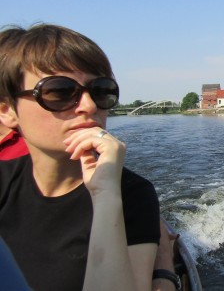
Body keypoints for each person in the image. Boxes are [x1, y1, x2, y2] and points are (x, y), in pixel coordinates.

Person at [0, 24, 162, 291]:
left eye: (101, 91)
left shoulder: (132, 194)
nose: (88, 106)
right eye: (60, 92)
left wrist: (106, 196)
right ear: (8, 111)